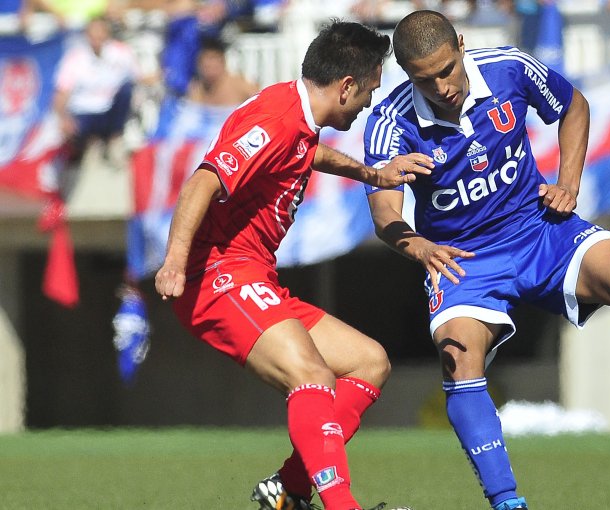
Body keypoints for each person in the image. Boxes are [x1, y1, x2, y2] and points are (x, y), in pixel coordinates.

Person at [362, 10, 610, 510]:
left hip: (538, 230)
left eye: (447, 69)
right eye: (425, 79)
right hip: (463, 259)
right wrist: (416, 244)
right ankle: (507, 503)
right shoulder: (390, 121)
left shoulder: (509, 68)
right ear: (407, 74)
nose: (442, 86)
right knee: (457, 356)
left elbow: (574, 106)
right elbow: (384, 213)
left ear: (462, 46)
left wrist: (570, 183)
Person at [154, 20, 432, 510]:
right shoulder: (276, 119)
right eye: (369, 90)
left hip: (252, 275)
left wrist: (371, 172)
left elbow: (306, 152)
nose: (369, 102)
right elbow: (203, 181)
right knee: (314, 377)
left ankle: (290, 489)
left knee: (370, 362)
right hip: (216, 275)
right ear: (346, 86)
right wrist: (176, 261)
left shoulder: (296, 121)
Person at [53, 15, 138, 165]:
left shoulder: (121, 52)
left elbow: (139, 76)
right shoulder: (75, 57)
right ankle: (78, 150)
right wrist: (63, 118)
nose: (96, 37)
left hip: (109, 110)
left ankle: (114, 140)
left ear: (107, 33)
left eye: (100, 32)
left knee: (127, 90)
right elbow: (62, 92)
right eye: (92, 33)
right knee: (73, 132)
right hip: (83, 111)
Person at [186, 36, 257, 106]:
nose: (210, 73)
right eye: (206, 67)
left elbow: (262, 104)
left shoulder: (239, 85)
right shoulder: (197, 89)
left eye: (214, 67)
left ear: (223, 63)